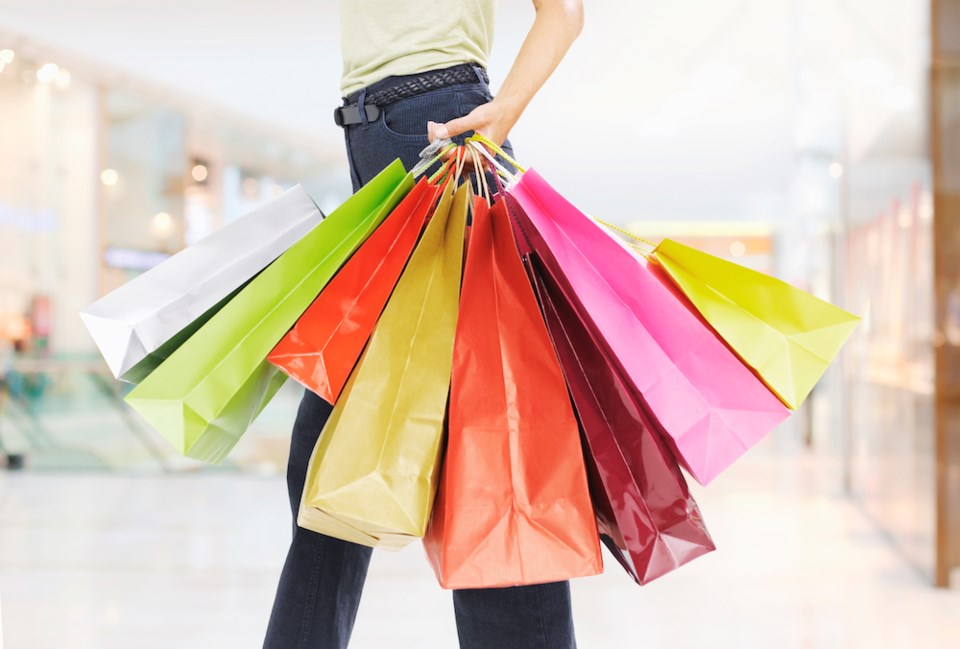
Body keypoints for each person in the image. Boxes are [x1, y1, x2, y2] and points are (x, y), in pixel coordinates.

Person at [263, 1, 585, 647]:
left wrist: (504, 113)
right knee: (327, 468)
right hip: (378, 142)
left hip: (441, 130)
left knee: (490, 445)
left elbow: (564, 11)